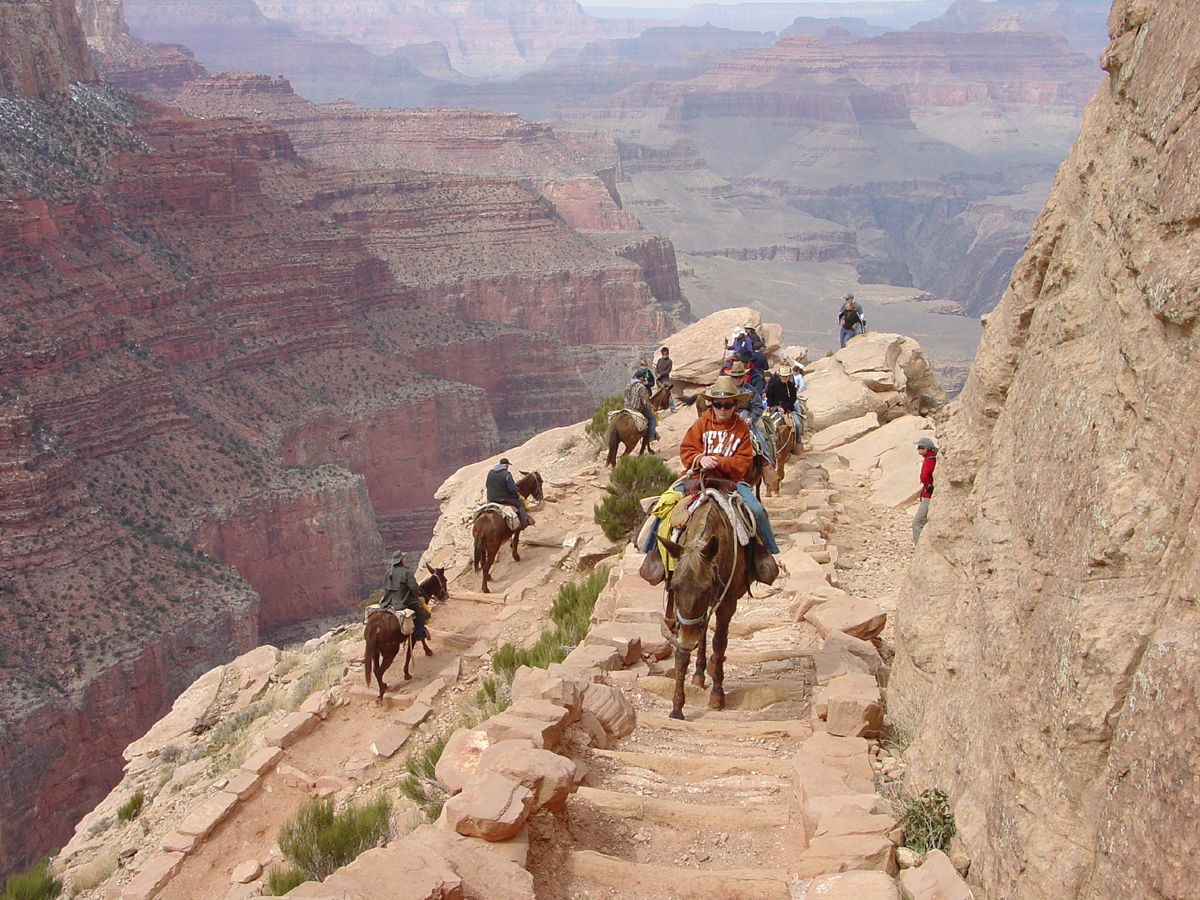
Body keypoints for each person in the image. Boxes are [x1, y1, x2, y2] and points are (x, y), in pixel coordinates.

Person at [679, 375, 779, 557]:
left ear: (735, 405)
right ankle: (653, 553)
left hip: (730, 481)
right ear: (711, 404)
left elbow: (742, 463)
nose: (722, 409)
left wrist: (718, 461)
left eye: (727, 405)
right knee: (664, 505)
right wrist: (700, 459)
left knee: (756, 510)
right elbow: (687, 449)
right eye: (717, 404)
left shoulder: (741, 429)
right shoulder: (701, 424)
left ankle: (764, 554)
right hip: (698, 477)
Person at [728, 361, 773, 467]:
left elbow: (758, 407)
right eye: (735, 377)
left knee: (760, 439)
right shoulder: (727, 390)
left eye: (739, 376)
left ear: (744, 376)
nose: (737, 379)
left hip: (745, 418)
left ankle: (767, 464)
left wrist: (751, 418)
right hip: (728, 418)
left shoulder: (751, 390)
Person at [486, 456, 532, 530]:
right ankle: (524, 523)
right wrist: (517, 497)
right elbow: (512, 489)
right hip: (503, 498)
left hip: (490, 498)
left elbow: (487, 484)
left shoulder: (490, 472)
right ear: (506, 465)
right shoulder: (507, 474)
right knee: (520, 503)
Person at [765, 364, 803, 440]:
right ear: (780, 376)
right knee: (764, 423)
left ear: (789, 376)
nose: (785, 378)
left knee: (797, 424)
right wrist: (769, 405)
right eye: (783, 376)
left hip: (788, 409)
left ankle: (798, 441)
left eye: (786, 376)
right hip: (774, 408)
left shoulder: (791, 386)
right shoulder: (773, 385)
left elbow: (793, 399)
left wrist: (785, 408)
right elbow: (769, 396)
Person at [912, 437, 938, 544]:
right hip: (931, 494)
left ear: (926, 449)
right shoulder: (934, 458)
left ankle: (919, 547)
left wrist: (928, 486)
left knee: (917, 523)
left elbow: (924, 476)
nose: (917, 449)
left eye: (920, 447)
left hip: (928, 495)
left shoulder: (929, 460)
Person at [623, 370, 657, 447]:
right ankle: (651, 436)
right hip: (636, 408)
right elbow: (645, 401)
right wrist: (649, 409)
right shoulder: (642, 387)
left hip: (627, 407)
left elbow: (625, 396)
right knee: (652, 417)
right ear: (641, 377)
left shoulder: (628, 385)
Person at [655, 346, 674, 411]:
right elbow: (656, 368)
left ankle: (672, 407)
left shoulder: (669, 361)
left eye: (666, 354)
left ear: (668, 354)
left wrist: (661, 374)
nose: (665, 355)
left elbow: (668, 370)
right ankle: (659, 406)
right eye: (663, 354)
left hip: (665, 380)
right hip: (659, 380)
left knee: (667, 394)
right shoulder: (659, 360)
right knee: (659, 394)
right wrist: (657, 374)